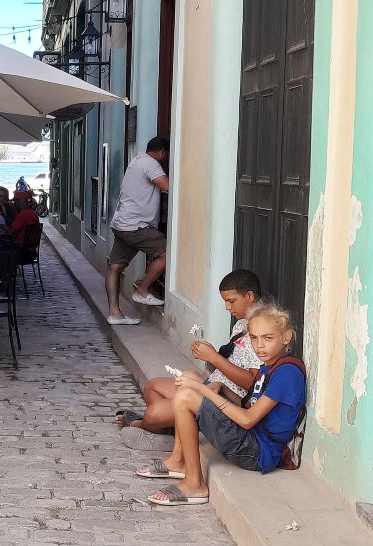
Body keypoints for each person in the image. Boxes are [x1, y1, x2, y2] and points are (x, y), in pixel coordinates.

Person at [136, 303, 306, 506]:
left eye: (267, 338)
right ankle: (178, 461)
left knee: (186, 396)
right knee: (190, 379)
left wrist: (204, 391)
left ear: (286, 337)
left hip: (258, 451)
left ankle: (194, 483)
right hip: (252, 438)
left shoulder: (286, 373)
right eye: (254, 338)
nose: (259, 345)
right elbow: (250, 408)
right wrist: (222, 389)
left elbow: (247, 419)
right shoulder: (269, 367)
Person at [116, 270, 264, 450]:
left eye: (231, 301)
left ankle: (143, 425)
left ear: (249, 296)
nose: (227, 307)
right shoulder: (241, 324)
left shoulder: (261, 332)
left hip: (225, 399)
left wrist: (215, 358)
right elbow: (232, 364)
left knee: (152, 415)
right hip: (213, 385)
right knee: (152, 387)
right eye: (225, 301)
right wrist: (208, 356)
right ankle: (181, 431)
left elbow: (253, 383)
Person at [105, 136, 170, 325]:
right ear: (162, 152)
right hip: (136, 226)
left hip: (121, 224)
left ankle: (114, 313)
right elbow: (167, 186)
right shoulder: (151, 163)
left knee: (114, 267)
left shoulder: (136, 160)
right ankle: (142, 290)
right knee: (167, 254)